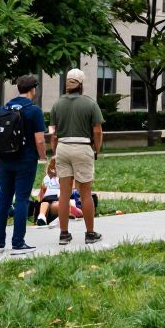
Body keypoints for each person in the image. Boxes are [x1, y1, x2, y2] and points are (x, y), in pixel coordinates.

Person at [0, 75, 48, 254]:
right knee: (22, 199)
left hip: (6, 159)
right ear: (33, 89)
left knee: (4, 200)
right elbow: (39, 140)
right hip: (26, 160)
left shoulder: (4, 107)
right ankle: (18, 242)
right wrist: (43, 156)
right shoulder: (33, 110)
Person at [50, 68, 103, 246]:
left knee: (64, 194)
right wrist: (97, 148)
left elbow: (53, 133)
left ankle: (64, 234)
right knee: (85, 194)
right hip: (82, 147)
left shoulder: (57, 104)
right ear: (81, 84)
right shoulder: (90, 104)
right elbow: (97, 130)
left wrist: (54, 152)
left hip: (63, 148)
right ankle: (89, 233)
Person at [36, 157, 61, 226]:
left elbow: (42, 192)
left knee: (44, 203)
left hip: (47, 199)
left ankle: (41, 216)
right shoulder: (63, 178)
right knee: (63, 204)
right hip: (58, 198)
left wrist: (39, 201)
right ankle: (59, 218)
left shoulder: (47, 177)